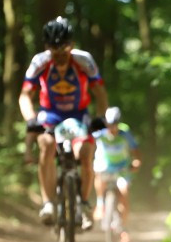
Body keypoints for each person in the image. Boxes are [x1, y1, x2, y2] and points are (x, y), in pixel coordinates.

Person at [20, 16, 109, 229]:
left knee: (86, 152)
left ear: (72, 46)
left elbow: (100, 93)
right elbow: (24, 95)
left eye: (64, 50)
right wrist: (31, 119)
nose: (59, 56)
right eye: (54, 51)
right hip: (50, 113)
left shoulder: (84, 60)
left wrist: (100, 117)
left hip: (79, 114)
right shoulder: (39, 62)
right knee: (46, 145)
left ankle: (83, 204)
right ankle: (48, 203)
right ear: (46, 47)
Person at [91, 106, 141, 242]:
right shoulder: (100, 133)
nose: (111, 128)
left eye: (114, 125)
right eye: (109, 125)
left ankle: (123, 228)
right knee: (99, 177)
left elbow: (135, 149)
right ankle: (100, 204)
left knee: (124, 194)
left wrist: (137, 162)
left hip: (122, 169)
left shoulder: (125, 134)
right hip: (105, 167)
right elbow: (88, 141)